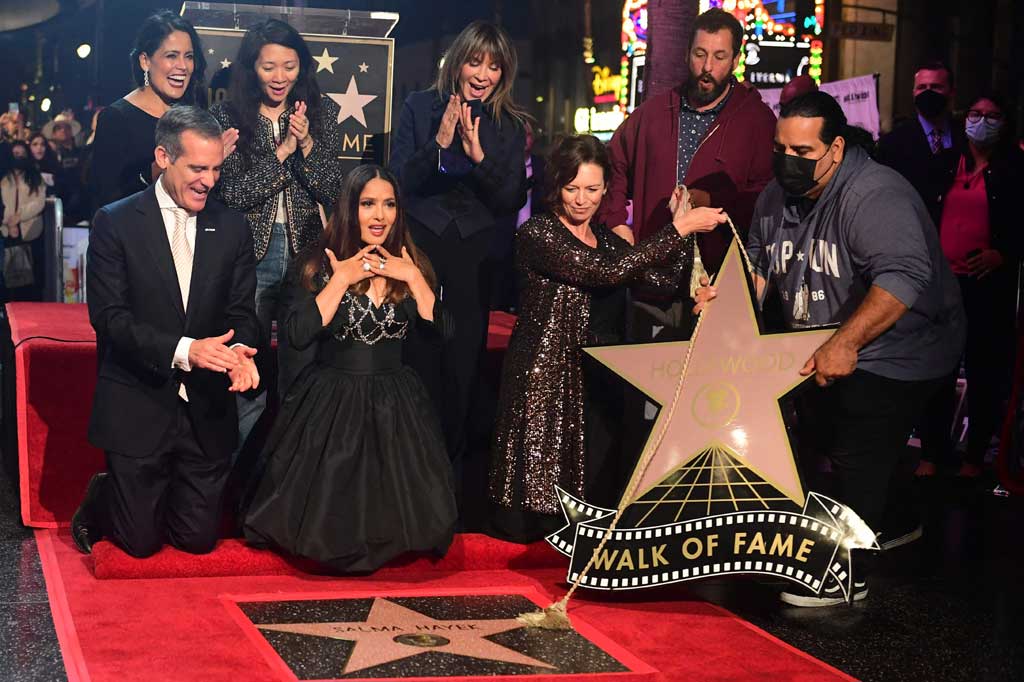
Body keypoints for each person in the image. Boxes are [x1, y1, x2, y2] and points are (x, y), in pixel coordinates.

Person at [695, 92, 965, 606]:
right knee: (812, 430)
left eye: (802, 151)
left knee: (856, 433)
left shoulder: (875, 194)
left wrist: (845, 342)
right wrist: (725, 297)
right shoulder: (778, 194)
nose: (787, 161)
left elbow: (904, 278)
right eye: (780, 148)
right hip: (818, 339)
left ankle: (845, 573)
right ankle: (895, 516)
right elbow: (760, 266)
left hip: (902, 345)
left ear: (836, 148)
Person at [489, 135, 728, 541]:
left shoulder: (610, 241)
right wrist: (678, 228)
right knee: (533, 506)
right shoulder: (538, 234)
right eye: (572, 188)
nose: (582, 200)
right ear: (556, 187)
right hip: (544, 376)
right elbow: (605, 273)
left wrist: (684, 235)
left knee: (589, 495)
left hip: (594, 376)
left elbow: (661, 281)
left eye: (593, 189)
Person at [243, 165, 457, 572]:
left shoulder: (412, 265)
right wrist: (339, 280)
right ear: (349, 209)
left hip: (397, 400)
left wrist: (412, 277)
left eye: (389, 204)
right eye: (368, 204)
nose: (380, 216)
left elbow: (445, 333)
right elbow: (297, 334)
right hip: (332, 400)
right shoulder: (318, 264)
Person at [70, 106, 260, 558]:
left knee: (195, 543)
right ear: (162, 156)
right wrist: (185, 351)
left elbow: (243, 311)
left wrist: (240, 352)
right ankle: (102, 499)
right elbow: (110, 318)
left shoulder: (232, 226)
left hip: (206, 409)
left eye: (215, 169)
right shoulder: (114, 222)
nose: (208, 181)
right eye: (197, 168)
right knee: (139, 545)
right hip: (138, 400)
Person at [389, 20, 529, 482]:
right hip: (422, 249)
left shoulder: (509, 124)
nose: (483, 73)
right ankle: (408, 473)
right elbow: (400, 182)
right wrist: (440, 143)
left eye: (494, 65)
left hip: (475, 258)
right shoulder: (418, 106)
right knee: (419, 358)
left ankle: (451, 480)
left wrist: (478, 156)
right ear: (457, 62)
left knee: (463, 367)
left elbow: (510, 199)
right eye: (475, 61)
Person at [599, 7, 776, 338]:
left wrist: (714, 199)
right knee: (647, 378)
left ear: (736, 60)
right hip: (653, 278)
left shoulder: (757, 119)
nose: (707, 67)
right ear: (686, 55)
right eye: (700, 54)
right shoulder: (653, 112)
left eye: (720, 56)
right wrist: (616, 222)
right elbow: (612, 166)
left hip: (719, 284)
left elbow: (769, 195)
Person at [211, 18, 344, 449]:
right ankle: (236, 479)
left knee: (300, 370)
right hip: (250, 258)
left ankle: (287, 483)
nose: (280, 77)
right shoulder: (226, 116)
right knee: (246, 371)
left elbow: (335, 191)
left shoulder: (320, 114)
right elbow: (233, 194)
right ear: (252, 68)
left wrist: (305, 147)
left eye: (289, 66)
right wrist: (283, 151)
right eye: (269, 66)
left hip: (308, 255)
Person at [916, 93, 1022, 478]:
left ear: (1006, 122)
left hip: (986, 285)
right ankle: (932, 452)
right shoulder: (946, 163)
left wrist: (1003, 254)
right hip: (943, 283)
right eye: (976, 114)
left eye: (993, 115)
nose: (982, 121)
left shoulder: (1015, 169)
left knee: (983, 371)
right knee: (936, 370)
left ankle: (974, 457)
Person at [88, 10, 221, 212]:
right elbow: (106, 200)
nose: (183, 66)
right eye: (171, 56)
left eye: (189, 56)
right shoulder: (116, 118)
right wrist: (154, 172)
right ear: (145, 61)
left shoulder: (196, 114)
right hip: (139, 238)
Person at [876, 60, 962, 225]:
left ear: (951, 92)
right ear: (913, 92)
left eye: (936, 87)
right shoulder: (893, 142)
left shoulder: (965, 137)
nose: (928, 93)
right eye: (922, 87)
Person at [1, 141, 47, 300]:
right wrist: (8, 221)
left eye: (22, 154)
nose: (19, 157)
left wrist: (18, 217)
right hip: (5, 231)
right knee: (7, 278)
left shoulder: (35, 177)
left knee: (31, 279)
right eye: (15, 154)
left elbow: (39, 202)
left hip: (30, 231)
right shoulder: (3, 177)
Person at [42, 113, 87, 223]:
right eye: (58, 128)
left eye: (66, 127)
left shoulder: (82, 152)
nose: (63, 131)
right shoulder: (48, 155)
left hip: (81, 205)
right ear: (53, 133)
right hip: (58, 205)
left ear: (71, 131)